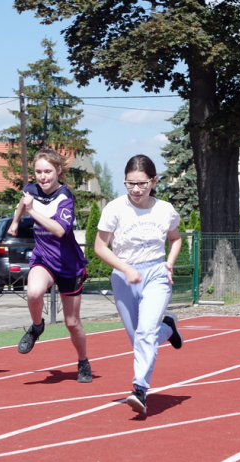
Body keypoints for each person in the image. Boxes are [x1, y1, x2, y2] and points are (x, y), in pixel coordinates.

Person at [94, 154, 184, 414]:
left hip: (156, 274)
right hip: (124, 277)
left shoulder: (165, 209)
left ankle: (140, 390)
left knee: (145, 334)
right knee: (138, 339)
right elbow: (101, 247)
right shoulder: (114, 208)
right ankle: (168, 327)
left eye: (142, 184)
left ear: (153, 181)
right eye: (130, 184)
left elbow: (175, 239)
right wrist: (125, 268)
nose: (135, 190)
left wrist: (170, 262)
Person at [10, 149, 92, 383]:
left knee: (71, 323)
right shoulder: (30, 189)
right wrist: (15, 222)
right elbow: (23, 201)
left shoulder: (64, 197)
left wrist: (32, 210)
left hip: (68, 264)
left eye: (47, 171)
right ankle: (37, 327)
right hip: (43, 258)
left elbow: (59, 230)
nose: (43, 177)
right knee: (33, 292)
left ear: (58, 171)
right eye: (38, 172)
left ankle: (83, 360)